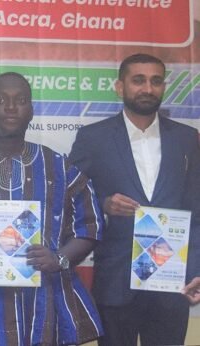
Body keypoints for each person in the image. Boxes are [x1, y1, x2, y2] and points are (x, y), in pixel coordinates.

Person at [0, 72, 104, 345]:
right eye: (1, 100)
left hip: (43, 303)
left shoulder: (59, 167)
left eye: (21, 100)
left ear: (31, 111)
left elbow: (90, 225)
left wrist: (59, 258)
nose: (11, 107)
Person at [69, 53, 200, 345]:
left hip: (171, 282)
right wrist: (103, 203)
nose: (148, 88)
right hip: (116, 281)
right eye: (138, 80)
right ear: (120, 87)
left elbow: (196, 209)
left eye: (156, 81)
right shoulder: (93, 137)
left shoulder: (187, 138)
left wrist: (196, 268)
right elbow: (71, 196)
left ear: (163, 86)